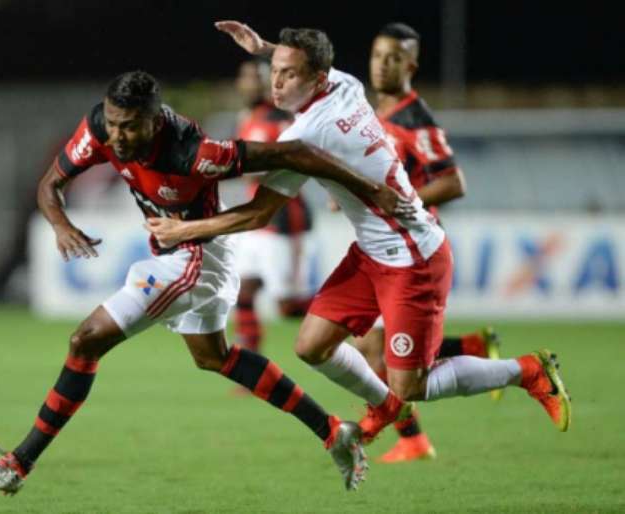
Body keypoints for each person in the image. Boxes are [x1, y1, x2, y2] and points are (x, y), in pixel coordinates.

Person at [0, 70, 411, 494]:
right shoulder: (102, 126)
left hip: (196, 256)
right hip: (176, 253)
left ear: (155, 121)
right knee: (214, 358)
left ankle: (17, 466)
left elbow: (296, 155)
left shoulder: (194, 153)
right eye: (114, 124)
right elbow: (49, 184)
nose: (118, 138)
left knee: (85, 340)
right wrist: (61, 225)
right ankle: (333, 432)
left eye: (131, 127)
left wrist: (371, 189)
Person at [146, 21, 571, 453]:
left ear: (315, 78)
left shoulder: (304, 137)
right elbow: (306, 65)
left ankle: (527, 371)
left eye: (287, 74)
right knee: (312, 346)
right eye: (273, 70)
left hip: (413, 259)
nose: (275, 82)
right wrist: (264, 47)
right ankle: (384, 407)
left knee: (412, 385)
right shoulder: (345, 84)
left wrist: (185, 229)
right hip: (371, 254)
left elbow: (258, 213)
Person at [350, 22, 503, 463]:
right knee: (371, 346)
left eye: (393, 58)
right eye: (378, 56)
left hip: (410, 252)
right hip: (384, 247)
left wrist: (399, 201)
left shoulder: (416, 117)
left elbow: (454, 182)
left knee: (374, 348)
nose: (382, 65)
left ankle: (411, 435)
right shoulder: (380, 115)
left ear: (410, 65)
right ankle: (466, 352)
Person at [232, 59, 315, 359]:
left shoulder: (280, 119)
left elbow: (278, 163)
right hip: (256, 220)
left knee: (288, 307)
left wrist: (225, 166)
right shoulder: (250, 116)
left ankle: (358, 321)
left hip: (283, 220)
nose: (248, 83)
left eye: (255, 78)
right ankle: (250, 368)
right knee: (242, 292)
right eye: (244, 77)